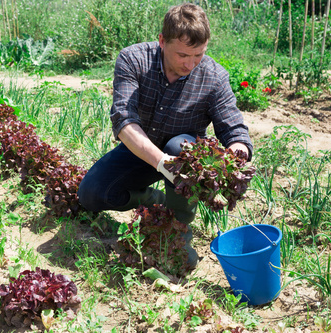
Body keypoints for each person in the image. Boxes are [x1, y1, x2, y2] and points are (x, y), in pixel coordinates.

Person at [77, 2, 253, 270]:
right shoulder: (134, 59)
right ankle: (152, 200)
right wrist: (160, 163)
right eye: (183, 55)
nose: (190, 63)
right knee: (91, 194)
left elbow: (234, 129)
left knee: (180, 144)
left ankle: (178, 229)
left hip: (184, 158)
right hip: (141, 148)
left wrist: (233, 156)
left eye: (198, 55)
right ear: (162, 41)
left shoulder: (214, 77)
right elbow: (124, 120)